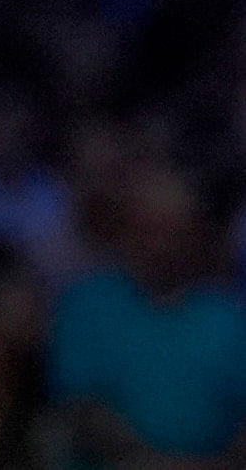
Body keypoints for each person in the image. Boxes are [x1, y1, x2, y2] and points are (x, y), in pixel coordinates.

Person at [49, 161, 246, 469]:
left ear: (194, 235)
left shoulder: (229, 317)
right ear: (126, 229)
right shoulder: (86, 302)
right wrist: (156, 464)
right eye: (148, 229)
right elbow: (80, 405)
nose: (161, 245)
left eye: (172, 231)